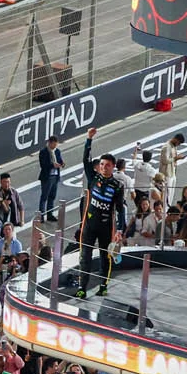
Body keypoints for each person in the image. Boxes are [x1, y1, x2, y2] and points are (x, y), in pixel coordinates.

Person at [75, 128, 125, 298]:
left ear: (113, 167)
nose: (104, 167)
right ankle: (82, 287)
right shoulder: (93, 177)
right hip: (89, 225)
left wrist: (120, 229)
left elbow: (120, 208)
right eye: (102, 165)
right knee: (85, 257)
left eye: (107, 165)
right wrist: (89, 139)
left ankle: (103, 286)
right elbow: (85, 159)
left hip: (106, 226)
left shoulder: (118, 186)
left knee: (105, 256)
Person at [37, 135, 64, 218]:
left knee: (52, 196)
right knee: (44, 196)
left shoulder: (57, 151)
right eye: (54, 144)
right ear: (49, 143)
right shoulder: (43, 152)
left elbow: (60, 159)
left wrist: (62, 163)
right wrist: (53, 165)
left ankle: (50, 214)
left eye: (56, 145)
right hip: (47, 177)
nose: (55, 146)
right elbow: (43, 165)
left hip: (55, 176)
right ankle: (41, 215)